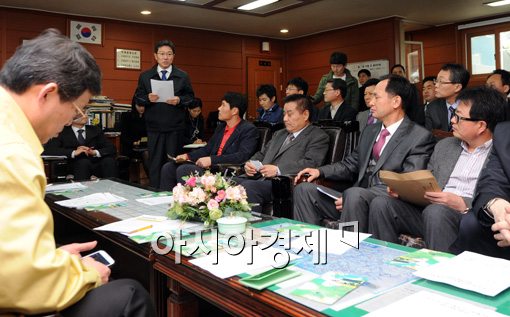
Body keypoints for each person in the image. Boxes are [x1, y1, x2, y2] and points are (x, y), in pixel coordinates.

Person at [0, 28, 155, 316]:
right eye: (77, 109)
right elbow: (23, 283)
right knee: (129, 294)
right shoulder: (12, 152)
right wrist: (85, 273)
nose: (73, 120)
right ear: (47, 94)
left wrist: (52, 259)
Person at [368, 87, 506, 252]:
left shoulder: (501, 154)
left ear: (481, 126)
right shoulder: (445, 146)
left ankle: (441, 274)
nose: (452, 121)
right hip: (432, 212)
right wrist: (407, 191)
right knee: (381, 203)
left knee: (437, 212)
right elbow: (429, 182)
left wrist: (463, 203)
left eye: (459, 117)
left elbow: (498, 193)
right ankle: (384, 263)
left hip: (470, 218)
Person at [293, 75, 435, 231]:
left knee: (354, 195)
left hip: (384, 205)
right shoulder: (371, 130)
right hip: (354, 199)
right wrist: (320, 171)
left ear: (396, 101)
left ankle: (351, 253)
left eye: (376, 96)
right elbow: (351, 164)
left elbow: (406, 183)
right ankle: (309, 246)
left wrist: (356, 195)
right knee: (304, 190)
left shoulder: (419, 136)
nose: (370, 102)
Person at [235, 94, 329, 213]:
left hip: (284, 185)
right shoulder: (279, 134)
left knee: (250, 187)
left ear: (305, 114)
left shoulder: (318, 136)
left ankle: (253, 228)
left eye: (289, 114)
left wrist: (278, 170)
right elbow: (261, 154)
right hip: (261, 179)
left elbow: (311, 163)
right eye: (284, 114)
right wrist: (249, 164)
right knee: (229, 182)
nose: (284, 118)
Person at [160, 92, 258, 190]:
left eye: (223, 105)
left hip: (225, 170)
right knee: (169, 167)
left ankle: (188, 202)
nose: (219, 108)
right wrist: (187, 156)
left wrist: (211, 160)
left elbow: (242, 156)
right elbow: (207, 149)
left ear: (234, 111)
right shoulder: (221, 127)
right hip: (210, 167)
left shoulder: (248, 129)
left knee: (185, 169)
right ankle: (166, 202)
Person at [134, 39, 195, 188]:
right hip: (154, 127)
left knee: (173, 162)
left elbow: (191, 98)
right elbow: (137, 97)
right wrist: (147, 98)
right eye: (162, 54)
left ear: (173, 56)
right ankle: (155, 191)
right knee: (154, 163)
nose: (165, 57)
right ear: (155, 56)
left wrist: (179, 100)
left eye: (169, 54)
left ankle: (174, 193)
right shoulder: (146, 76)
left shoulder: (182, 76)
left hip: (175, 127)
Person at [452, 121, 510, 260]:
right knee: (471, 223)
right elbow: (492, 180)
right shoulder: (504, 133)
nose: (454, 120)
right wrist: (497, 205)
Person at [44, 111, 118, 181]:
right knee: (83, 163)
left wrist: (94, 152)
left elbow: (111, 148)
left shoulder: (95, 130)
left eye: (85, 113)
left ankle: (112, 190)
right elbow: (50, 150)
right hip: (75, 164)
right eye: (80, 114)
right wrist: (74, 152)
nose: (84, 116)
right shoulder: (61, 132)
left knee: (109, 161)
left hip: (95, 163)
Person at [425, 63, 470, 132]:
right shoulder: (432, 108)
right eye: (436, 81)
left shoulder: (472, 107)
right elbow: (429, 137)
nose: (436, 85)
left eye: (441, 81)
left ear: (457, 87)